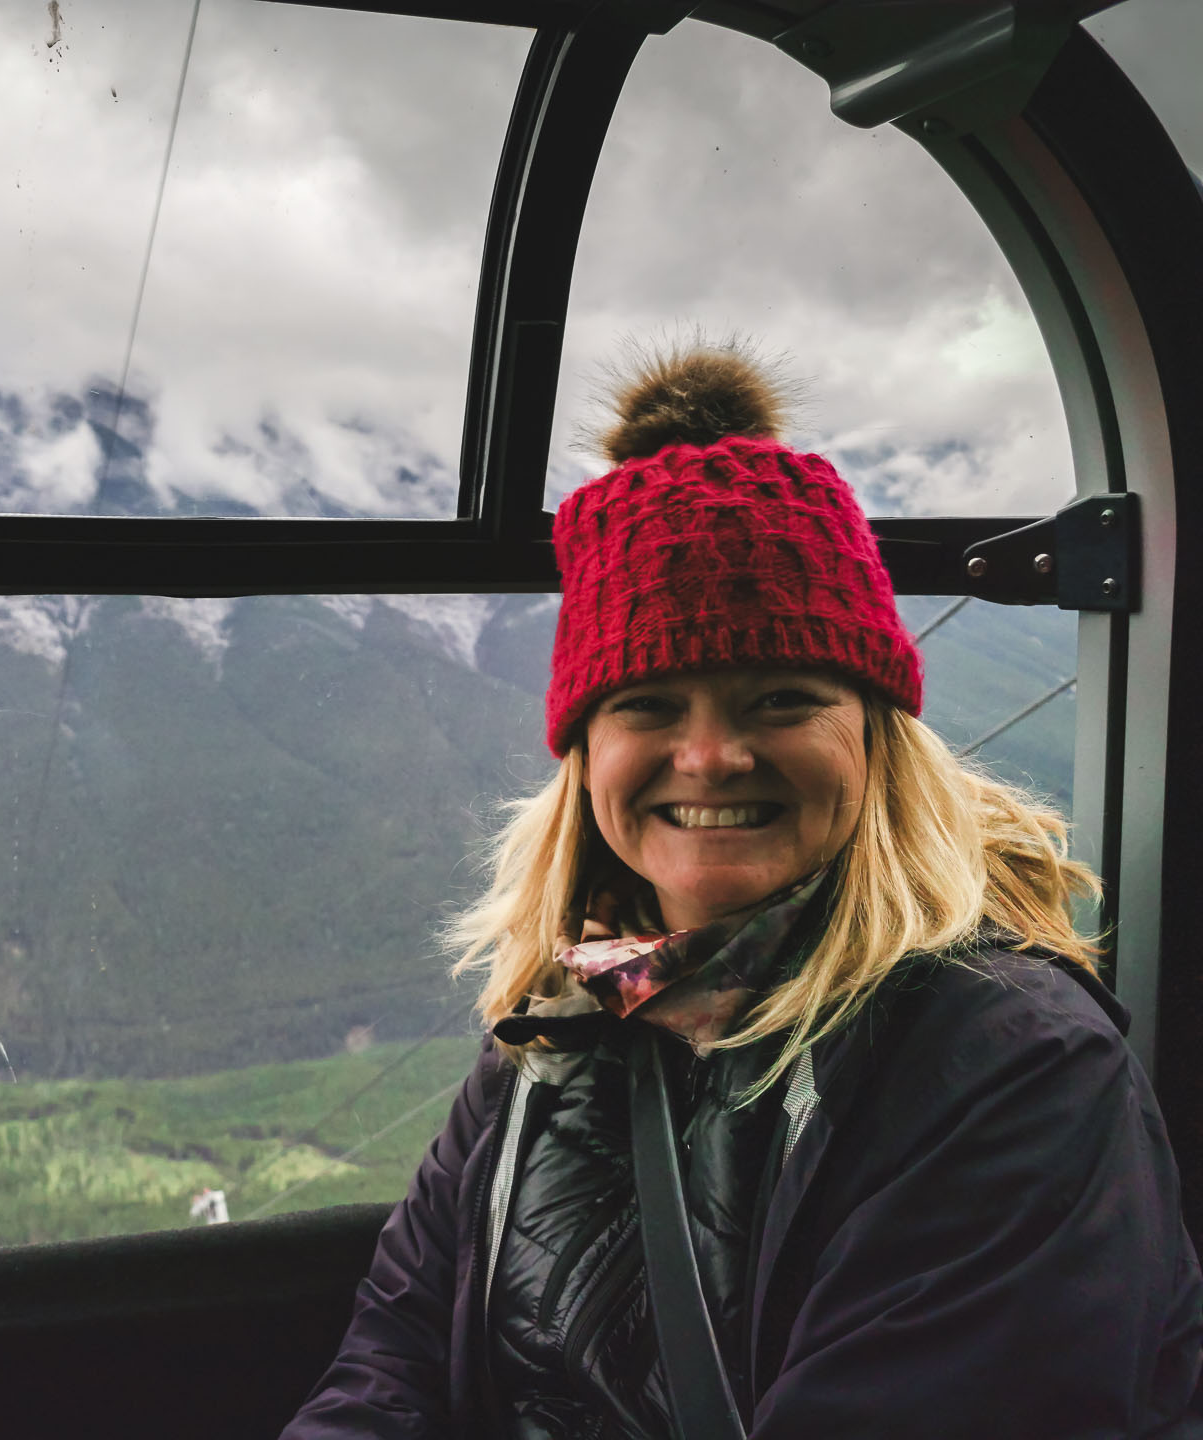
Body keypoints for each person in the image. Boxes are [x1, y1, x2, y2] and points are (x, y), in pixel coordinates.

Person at [280, 342, 1203, 1439]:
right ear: (586, 755)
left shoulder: (1009, 1069)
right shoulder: (555, 1033)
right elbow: (389, 1367)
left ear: (875, 740)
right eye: (651, 705)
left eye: (780, 698)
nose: (711, 757)